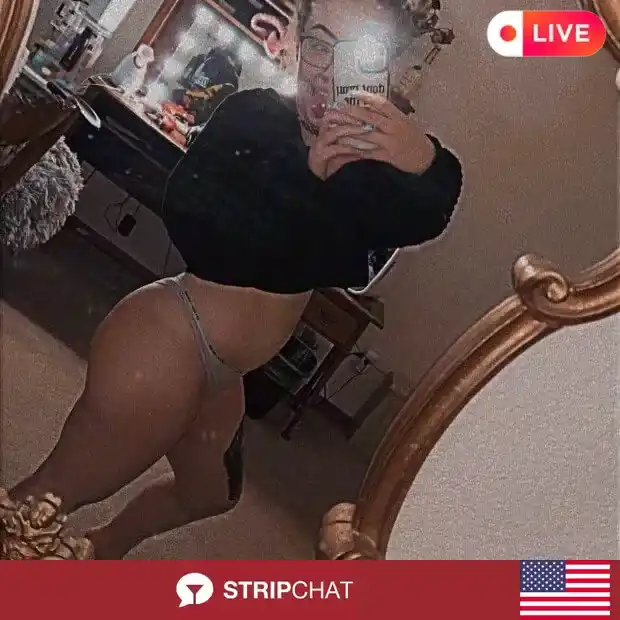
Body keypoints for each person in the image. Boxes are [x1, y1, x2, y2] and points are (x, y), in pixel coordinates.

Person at [0, 0, 463, 560]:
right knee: (39, 506)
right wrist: (308, 181)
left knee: (209, 494)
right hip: (169, 340)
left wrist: (425, 161)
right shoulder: (255, 116)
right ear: (295, 42)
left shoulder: (360, 166)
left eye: (357, 56)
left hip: (222, 374)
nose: (328, 71)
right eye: (319, 44)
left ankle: (101, 552)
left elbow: (411, 225)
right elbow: (204, 230)